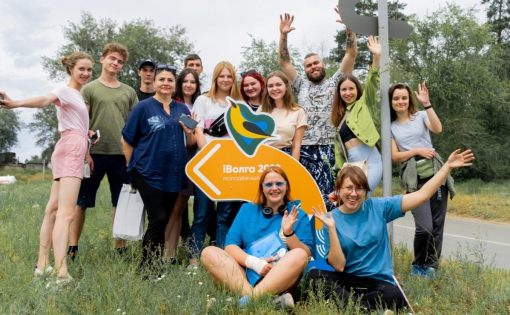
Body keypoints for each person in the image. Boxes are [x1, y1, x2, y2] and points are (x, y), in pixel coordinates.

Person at [308, 149, 474, 311]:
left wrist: (446, 167)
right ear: (338, 190)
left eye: (359, 188)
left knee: (393, 292)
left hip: (378, 282)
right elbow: (339, 267)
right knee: (316, 276)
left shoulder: (379, 207)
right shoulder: (329, 219)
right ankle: (364, 306)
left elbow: (422, 195)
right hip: (350, 279)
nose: (353, 193)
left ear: (365, 190)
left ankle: (356, 306)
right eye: (348, 188)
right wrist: (331, 229)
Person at [0, 52, 94, 283]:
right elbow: (44, 99)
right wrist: (16, 104)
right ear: (71, 69)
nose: (86, 73)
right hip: (71, 147)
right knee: (66, 212)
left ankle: (42, 266)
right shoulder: (64, 91)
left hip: (70, 145)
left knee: (53, 209)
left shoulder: (77, 96)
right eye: (81, 68)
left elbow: (75, 125)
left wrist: (88, 138)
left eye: (89, 70)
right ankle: (62, 272)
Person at [200, 166, 314, 309]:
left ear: (286, 186)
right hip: (247, 274)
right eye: (269, 184)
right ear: (262, 188)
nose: (274, 188)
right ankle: (259, 300)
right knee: (209, 252)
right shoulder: (247, 209)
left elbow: (306, 254)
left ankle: (241, 303)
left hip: (279, 276)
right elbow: (230, 245)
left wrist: (289, 232)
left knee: (299, 254)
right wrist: (255, 263)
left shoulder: (298, 213)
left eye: (279, 183)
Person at [278, 10, 357, 207]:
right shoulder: (300, 85)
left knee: (330, 199)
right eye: (308, 65)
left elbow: (351, 53)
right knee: (302, 197)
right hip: (303, 149)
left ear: (323, 64)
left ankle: (329, 236)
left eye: (316, 63)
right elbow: (284, 62)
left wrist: (350, 29)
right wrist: (283, 36)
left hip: (329, 148)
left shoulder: (335, 82)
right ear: (304, 70)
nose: (312, 67)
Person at [121, 64, 196, 270]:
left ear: (175, 85)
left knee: (163, 220)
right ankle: (147, 267)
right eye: (161, 79)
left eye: (170, 80)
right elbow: (126, 139)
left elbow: (190, 143)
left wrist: (189, 132)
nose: (165, 83)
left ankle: (153, 264)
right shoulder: (143, 108)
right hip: (147, 171)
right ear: (154, 83)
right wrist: (131, 167)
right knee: (158, 217)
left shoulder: (182, 109)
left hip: (174, 174)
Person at [69, 42, 138, 259]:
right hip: (93, 155)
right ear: (102, 59)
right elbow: (81, 122)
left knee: (120, 202)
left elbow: (134, 125)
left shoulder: (128, 92)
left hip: (121, 155)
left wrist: (133, 155)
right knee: (82, 202)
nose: (115, 63)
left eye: (120, 61)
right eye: (112, 59)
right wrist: (85, 151)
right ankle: (72, 247)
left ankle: (120, 248)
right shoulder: (89, 89)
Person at [389, 82, 453, 277]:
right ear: (391, 102)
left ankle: (432, 267)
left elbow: (438, 128)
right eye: (396, 98)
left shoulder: (422, 116)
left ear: (409, 99)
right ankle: (418, 265)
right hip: (413, 179)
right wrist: (416, 150)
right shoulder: (391, 127)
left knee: (437, 225)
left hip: (435, 173)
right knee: (424, 228)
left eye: (404, 97)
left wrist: (427, 104)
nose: (400, 101)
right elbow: (395, 157)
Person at [190, 61, 242, 262]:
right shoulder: (203, 101)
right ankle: (194, 258)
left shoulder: (239, 104)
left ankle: (221, 258)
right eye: (222, 76)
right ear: (216, 78)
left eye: (229, 76)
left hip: (229, 167)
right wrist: (208, 154)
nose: (226, 80)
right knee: (202, 213)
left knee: (224, 215)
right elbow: (198, 129)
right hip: (206, 164)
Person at [330, 36, 383, 192]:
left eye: (351, 88)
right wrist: (339, 177)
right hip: (351, 167)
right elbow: (340, 154)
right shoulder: (338, 119)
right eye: (344, 89)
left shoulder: (363, 104)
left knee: (360, 196)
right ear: (339, 93)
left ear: (357, 90)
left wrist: (376, 56)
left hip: (371, 162)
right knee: (351, 204)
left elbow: (372, 81)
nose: (348, 92)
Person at [163, 68, 201, 262]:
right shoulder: (172, 104)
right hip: (172, 160)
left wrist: (189, 131)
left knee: (181, 207)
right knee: (171, 209)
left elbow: (193, 141)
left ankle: (173, 253)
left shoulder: (199, 105)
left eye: (192, 82)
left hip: (193, 159)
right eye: (185, 81)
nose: (188, 85)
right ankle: (166, 253)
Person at [257, 71, 307, 161]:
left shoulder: (298, 111)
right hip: (262, 158)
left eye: (278, 84)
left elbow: (296, 146)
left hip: (285, 158)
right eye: (270, 86)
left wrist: (294, 168)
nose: (274, 88)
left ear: (286, 86)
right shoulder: (261, 110)